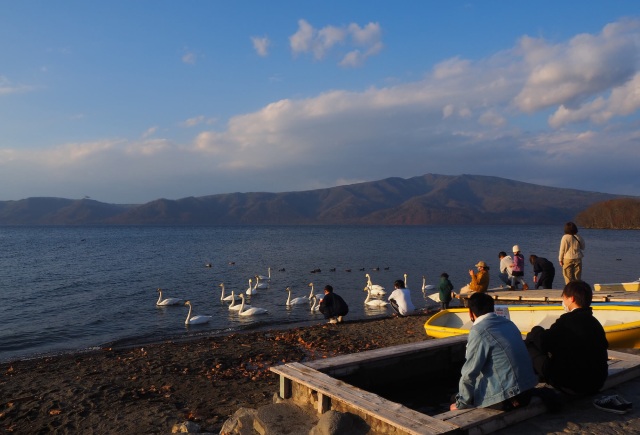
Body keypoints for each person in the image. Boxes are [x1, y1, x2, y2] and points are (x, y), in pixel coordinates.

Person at [450, 292, 538, 411]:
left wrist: (461, 403)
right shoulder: (509, 323)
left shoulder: (479, 331)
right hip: (527, 389)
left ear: (470, 313)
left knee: (453, 399)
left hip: (509, 397)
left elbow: (470, 372)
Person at [524, 280, 608, 396]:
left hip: (571, 385)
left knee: (530, 346)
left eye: (564, 297)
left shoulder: (567, 321)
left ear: (571, 299)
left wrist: (535, 331)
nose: (563, 301)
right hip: (597, 382)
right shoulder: (595, 323)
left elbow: (543, 343)